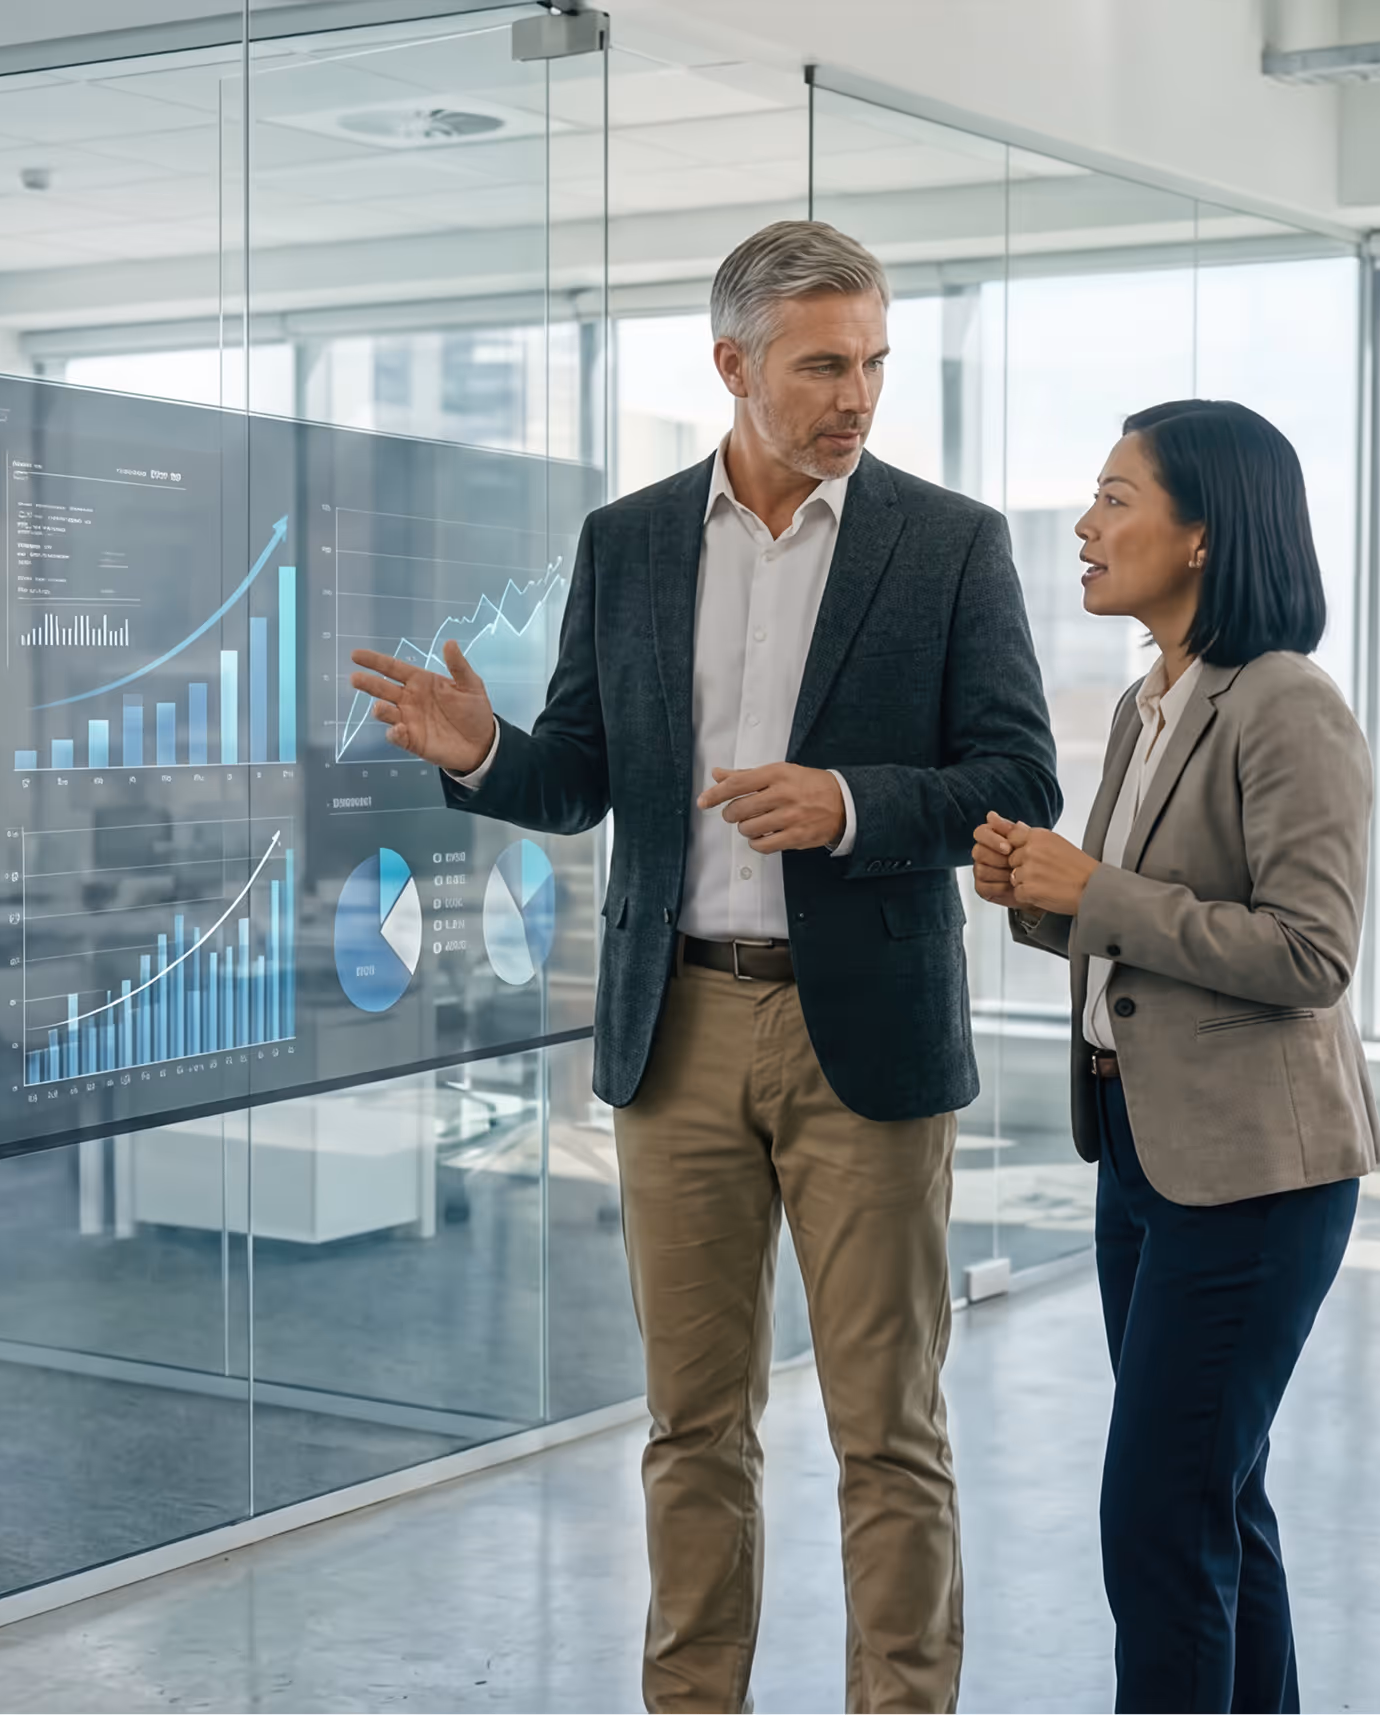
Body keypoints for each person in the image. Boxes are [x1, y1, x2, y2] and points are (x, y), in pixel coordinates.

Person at [351, 219, 1058, 1715]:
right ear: (733, 364)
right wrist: (482, 748)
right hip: (675, 1032)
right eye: (820, 366)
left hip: (862, 1037)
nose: (854, 396)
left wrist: (853, 802)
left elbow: (1017, 775)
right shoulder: (630, 541)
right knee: (692, 1423)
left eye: (871, 362)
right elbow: (586, 775)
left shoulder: (949, 543)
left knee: (888, 1428)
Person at [970, 400, 1378, 1715]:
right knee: (1214, 1493)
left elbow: (1311, 954)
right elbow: (1133, 927)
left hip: (1255, 1175)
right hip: (1142, 1150)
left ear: (1202, 535)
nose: (1085, 527)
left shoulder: (1286, 704)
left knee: (1157, 1519)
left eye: (1114, 498)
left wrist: (1093, 887)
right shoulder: (1153, 706)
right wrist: (1036, 894)